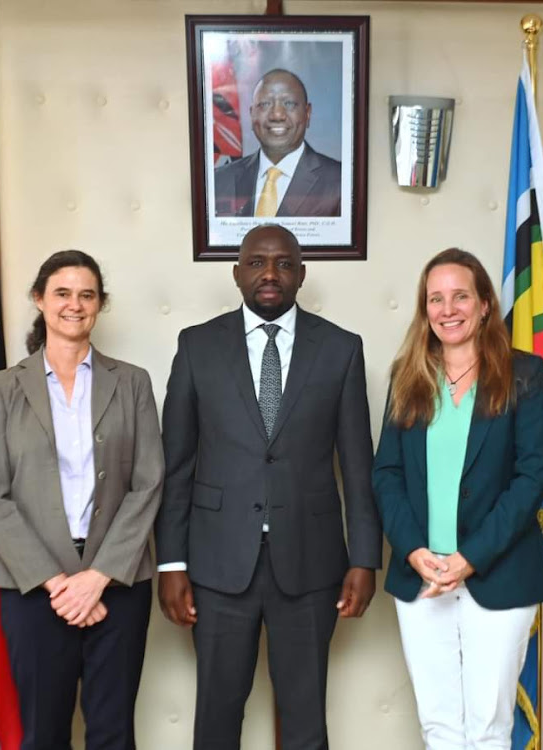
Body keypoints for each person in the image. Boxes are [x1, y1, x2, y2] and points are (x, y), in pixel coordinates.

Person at [155, 224, 381, 750]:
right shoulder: (197, 346)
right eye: (257, 263)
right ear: (237, 273)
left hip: (311, 563)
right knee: (216, 715)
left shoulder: (342, 349)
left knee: (305, 721)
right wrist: (171, 564)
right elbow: (176, 465)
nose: (271, 274)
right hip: (215, 565)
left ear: (302, 274)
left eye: (283, 264)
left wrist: (364, 559)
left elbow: (357, 465)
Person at [0, 250, 164, 750]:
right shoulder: (2, 388)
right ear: (39, 300)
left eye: (87, 294)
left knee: (113, 731)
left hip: (119, 583)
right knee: (42, 732)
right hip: (33, 587)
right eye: (62, 293)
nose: (74, 305)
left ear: (100, 304)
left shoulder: (133, 382)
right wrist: (61, 585)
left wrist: (97, 578)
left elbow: (149, 483)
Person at [373, 247, 543, 750]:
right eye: (435, 299)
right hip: (422, 575)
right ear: (424, 308)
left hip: (498, 572)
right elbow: (386, 473)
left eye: (460, 297)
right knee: (439, 727)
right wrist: (413, 549)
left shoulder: (523, 374)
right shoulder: (407, 376)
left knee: (488, 728)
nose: (447, 310)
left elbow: (532, 476)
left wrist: (469, 559)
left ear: (484, 305)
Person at [214, 69, 341, 217]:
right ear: (252, 114)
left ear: (307, 113)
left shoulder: (339, 181)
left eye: (289, 104)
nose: (277, 115)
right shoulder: (219, 180)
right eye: (265, 104)